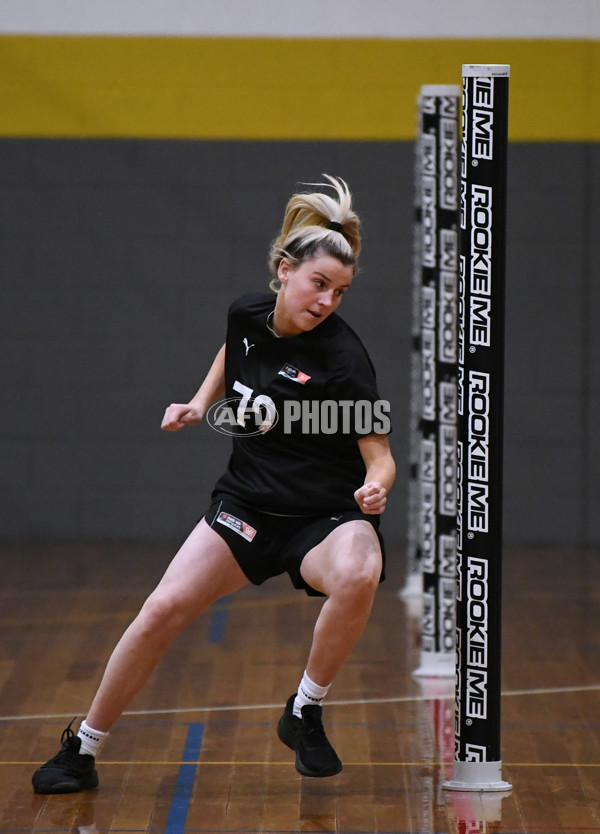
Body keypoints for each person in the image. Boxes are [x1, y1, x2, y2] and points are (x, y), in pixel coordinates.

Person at [32, 175, 396, 794]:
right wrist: (200, 402)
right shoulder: (247, 313)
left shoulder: (345, 358)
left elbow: (379, 456)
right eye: (318, 284)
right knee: (161, 611)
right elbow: (232, 353)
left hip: (323, 520)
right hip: (247, 504)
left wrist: (375, 488)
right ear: (285, 271)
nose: (328, 301)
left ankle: (305, 709)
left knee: (361, 571)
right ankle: (82, 749)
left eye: (340, 292)